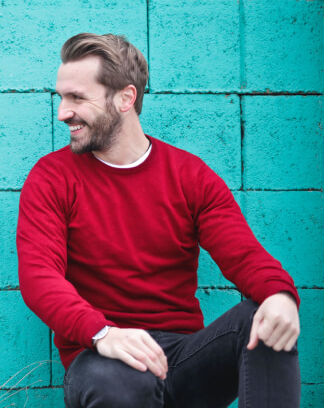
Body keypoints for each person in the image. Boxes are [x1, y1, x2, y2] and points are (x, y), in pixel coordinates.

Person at [16, 33, 300, 408]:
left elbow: (243, 254)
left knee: (264, 320)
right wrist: (102, 333)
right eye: (62, 98)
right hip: (101, 357)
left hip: (182, 359)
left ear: (125, 98)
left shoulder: (189, 175)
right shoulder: (52, 178)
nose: (63, 112)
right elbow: (39, 277)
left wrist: (280, 295)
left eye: (77, 98)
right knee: (119, 383)